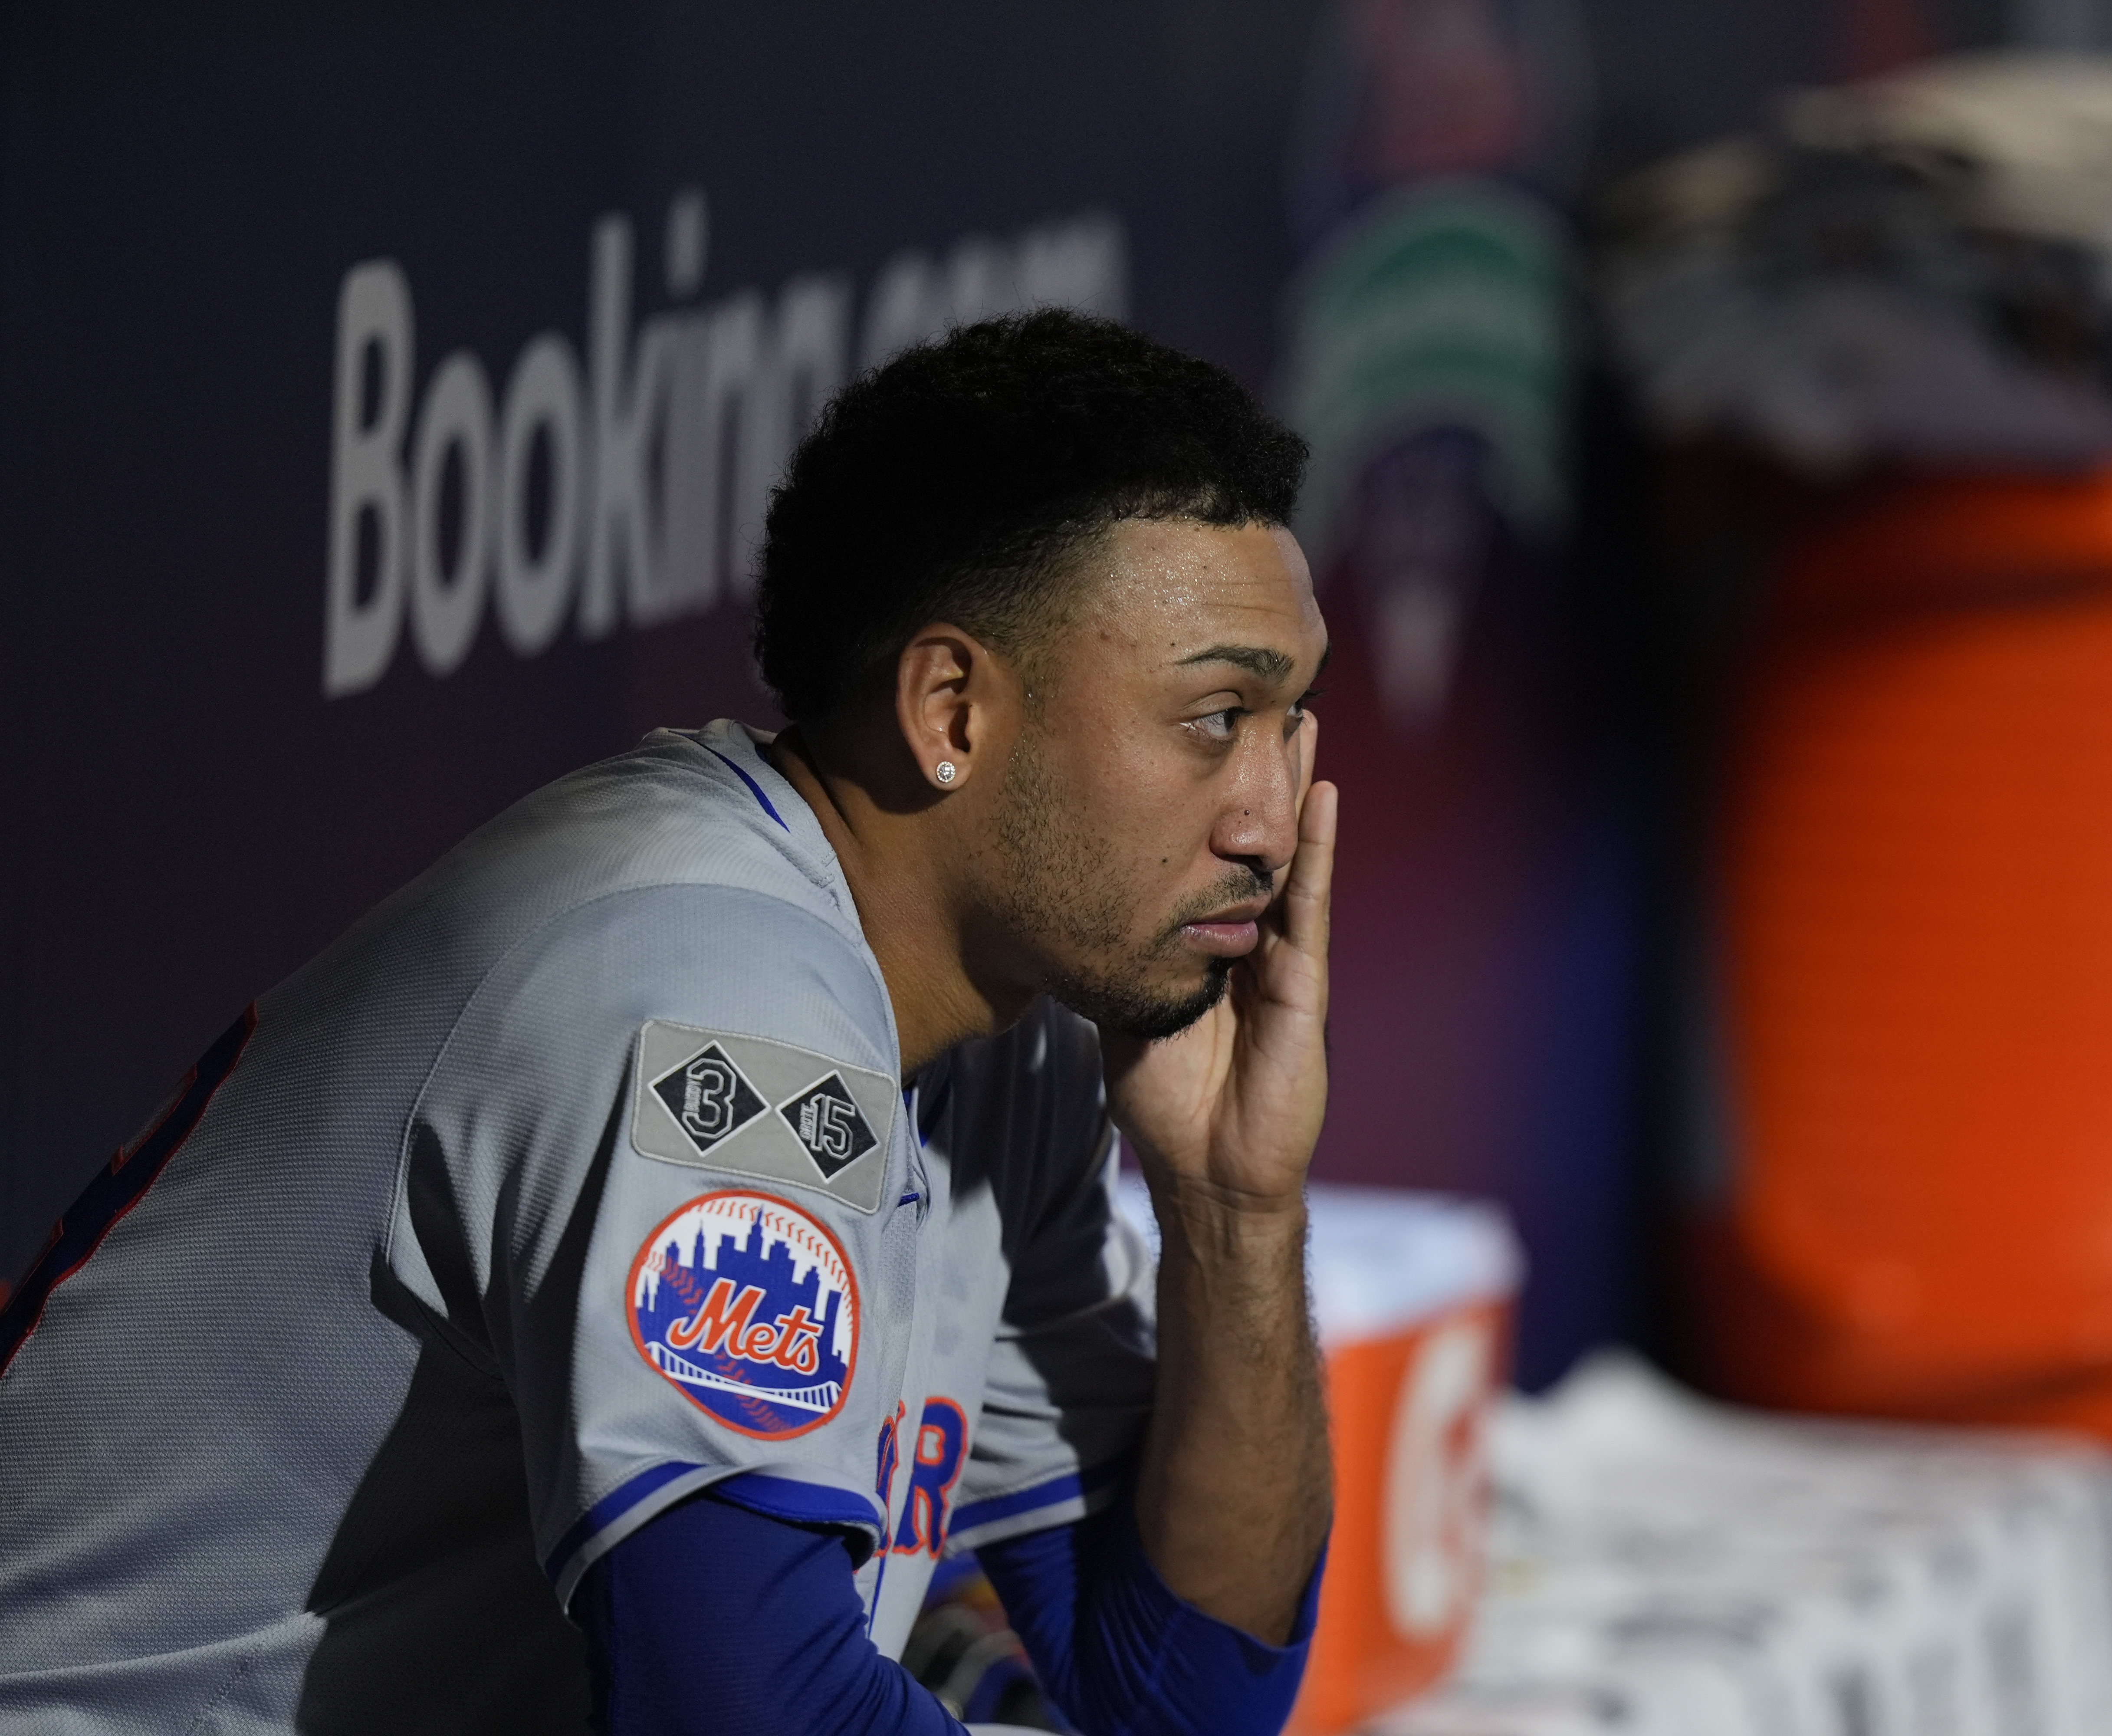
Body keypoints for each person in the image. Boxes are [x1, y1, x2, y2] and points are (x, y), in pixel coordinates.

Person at [0, 310, 1337, 1736]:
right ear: (951, 708)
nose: (1272, 820)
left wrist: (1232, 1207)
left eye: (1294, 722)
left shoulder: (1005, 1033)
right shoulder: (716, 993)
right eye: (1215, 718)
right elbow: (746, 1717)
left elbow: (1180, 1697)